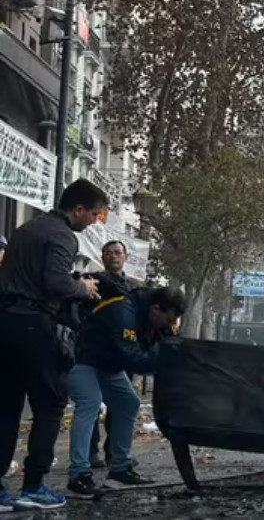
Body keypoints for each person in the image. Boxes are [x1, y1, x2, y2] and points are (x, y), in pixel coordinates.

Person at [0, 179, 105, 511]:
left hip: (6, 323)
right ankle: (33, 486)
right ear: (77, 209)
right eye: (93, 215)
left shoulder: (25, 229)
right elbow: (56, 282)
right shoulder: (62, 235)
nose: (93, 222)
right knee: (50, 404)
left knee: (6, 407)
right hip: (37, 327)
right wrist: (84, 288)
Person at [66, 284, 184, 496]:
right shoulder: (123, 312)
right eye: (168, 319)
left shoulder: (158, 319)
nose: (170, 324)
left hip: (109, 365)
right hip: (83, 358)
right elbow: (134, 358)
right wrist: (164, 365)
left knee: (128, 403)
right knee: (90, 403)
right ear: (156, 309)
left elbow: (171, 344)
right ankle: (79, 474)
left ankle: (121, 468)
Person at [86, 241, 140, 469]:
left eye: (118, 253)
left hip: (123, 353)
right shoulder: (94, 282)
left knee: (120, 404)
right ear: (102, 257)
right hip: (95, 352)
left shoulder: (133, 287)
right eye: (108, 253)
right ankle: (90, 453)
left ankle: (114, 452)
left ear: (125, 257)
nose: (113, 257)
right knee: (91, 404)